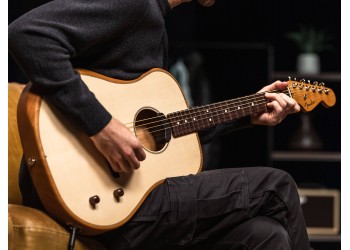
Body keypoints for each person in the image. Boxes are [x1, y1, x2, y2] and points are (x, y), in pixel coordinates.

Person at [8, 0, 310, 249]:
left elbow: (165, 130)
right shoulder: (134, 6)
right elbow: (26, 34)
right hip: (90, 198)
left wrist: (249, 112)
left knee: (267, 235)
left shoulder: (155, 22)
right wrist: (100, 126)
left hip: (127, 201)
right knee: (276, 186)